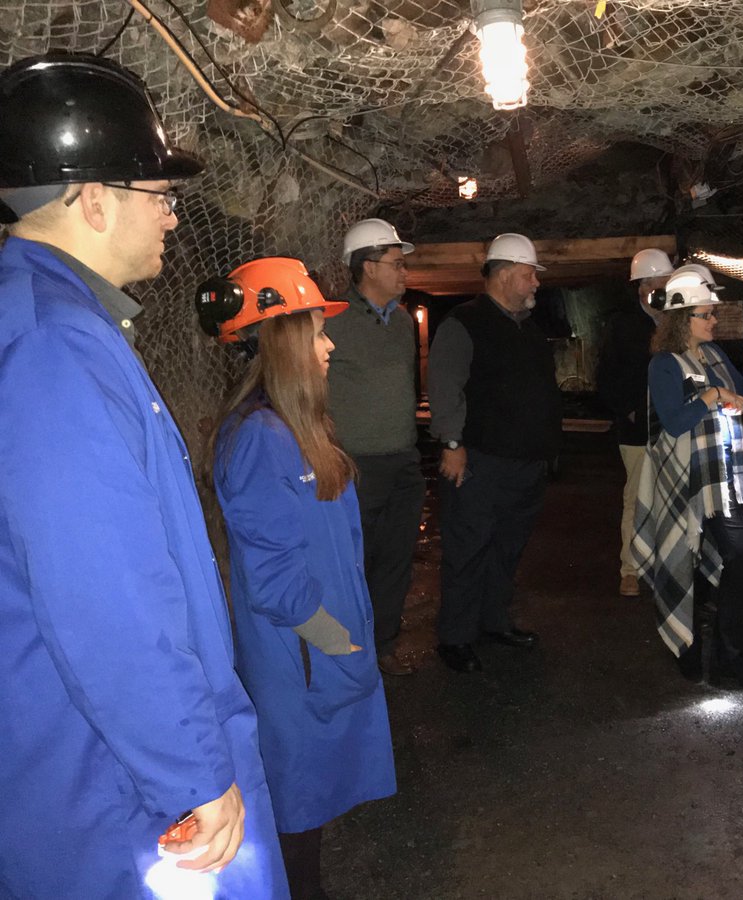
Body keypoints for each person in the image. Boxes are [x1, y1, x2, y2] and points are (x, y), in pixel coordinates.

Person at [0, 53, 287, 897]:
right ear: (92, 199)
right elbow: (101, 591)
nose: (170, 216)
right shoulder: (55, 345)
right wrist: (190, 770)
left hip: (95, 755)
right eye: (156, 194)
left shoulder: (53, 323)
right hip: (117, 787)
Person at [200, 257, 397, 900]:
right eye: (317, 330)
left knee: (309, 805)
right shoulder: (260, 436)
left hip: (319, 646)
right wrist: (336, 639)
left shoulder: (295, 426)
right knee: (295, 802)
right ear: (283, 341)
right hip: (300, 654)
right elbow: (274, 574)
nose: (330, 343)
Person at [631, 265, 743, 689]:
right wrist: (711, 396)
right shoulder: (664, 365)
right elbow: (673, 423)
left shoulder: (713, 356)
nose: (714, 320)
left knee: (739, 558)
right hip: (684, 479)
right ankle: (689, 649)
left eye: (712, 313)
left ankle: (729, 658)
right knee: (685, 561)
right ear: (682, 318)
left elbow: (742, 403)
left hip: (721, 477)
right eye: (706, 314)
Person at [428, 233, 563, 673]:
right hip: (481, 462)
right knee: (468, 549)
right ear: (504, 274)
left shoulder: (529, 330)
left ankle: (494, 621)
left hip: (525, 463)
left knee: (507, 548)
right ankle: (456, 637)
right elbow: (445, 387)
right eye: (529, 276)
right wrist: (452, 444)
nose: (536, 285)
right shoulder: (464, 323)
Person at [326, 218, 425, 677]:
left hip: (403, 460)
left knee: (396, 560)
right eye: (396, 264)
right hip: (355, 465)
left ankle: (382, 644)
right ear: (367, 267)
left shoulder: (404, 322)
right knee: (351, 563)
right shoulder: (331, 320)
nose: (405, 273)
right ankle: (348, 649)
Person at [596, 247, 672, 597]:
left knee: (670, 498)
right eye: (660, 284)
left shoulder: (675, 320)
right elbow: (607, 375)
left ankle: (668, 563)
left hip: (673, 425)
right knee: (637, 498)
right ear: (643, 287)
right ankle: (631, 568)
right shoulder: (623, 324)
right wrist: (629, 409)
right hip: (638, 430)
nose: (665, 290)